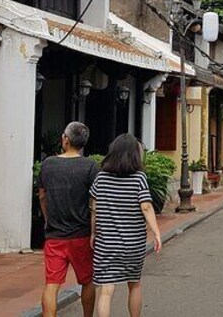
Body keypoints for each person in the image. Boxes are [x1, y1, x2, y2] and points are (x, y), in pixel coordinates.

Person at [91, 133, 162, 317]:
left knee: (106, 290)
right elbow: (146, 206)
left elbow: (94, 209)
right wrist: (156, 232)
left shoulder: (101, 178)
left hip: (106, 243)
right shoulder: (139, 178)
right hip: (133, 245)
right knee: (135, 284)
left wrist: (93, 233)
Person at [38, 122, 99, 317]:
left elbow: (42, 195)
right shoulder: (90, 166)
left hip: (55, 236)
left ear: (66, 139)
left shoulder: (48, 164)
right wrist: (94, 231)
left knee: (51, 284)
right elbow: (95, 202)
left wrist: (48, 219)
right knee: (87, 281)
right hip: (81, 235)